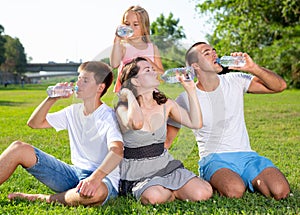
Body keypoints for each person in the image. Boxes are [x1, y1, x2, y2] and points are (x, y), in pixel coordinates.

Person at [166, 42, 290, 200]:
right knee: (234, 190)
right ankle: (216, 179)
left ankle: (246, 177)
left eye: (214, 51)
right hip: (214, 159)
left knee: (280, 190)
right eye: (207, 53)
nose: (214, 54)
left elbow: (279, 86)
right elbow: (167, 141)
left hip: (247, 157)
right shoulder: (185, 98)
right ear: (195, 66)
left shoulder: (235, 80)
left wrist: (253, 68)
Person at [2, 61, 124, 206]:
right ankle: (71, 194)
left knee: (95, 193)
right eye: (79, 77)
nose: (78, 82)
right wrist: (52, 98)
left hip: (102, 179)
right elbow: (34, 123)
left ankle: (44, 198)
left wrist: (94, 179)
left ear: (100, 88)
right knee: (18, 148)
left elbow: (117, 150)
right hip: (73, 175)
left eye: (85, 80)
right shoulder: (73, 111)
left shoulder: (107, 116)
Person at [115, 57, 212, 205]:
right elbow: (137, 122)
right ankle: (167, 190)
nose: (154, 72)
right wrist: (128, 94)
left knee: (203, 192)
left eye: (153, 69)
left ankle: (168, 189)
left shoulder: (166, 104)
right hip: (138, 172)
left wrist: (191, 90)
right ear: (135, 81)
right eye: (148, 70)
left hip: (165, 165)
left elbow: (196, 122)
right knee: (154, 197)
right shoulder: (123, 108)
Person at [110, 5, 164, 93]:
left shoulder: (152, 48)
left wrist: (150, 64)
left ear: (144, 27)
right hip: (127, 94)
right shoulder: (123, 47)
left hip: (149, 94)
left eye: (136, 24)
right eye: (127, 24)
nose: (131, 28)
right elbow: (114, 64)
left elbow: (162, 75)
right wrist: (116, 40)